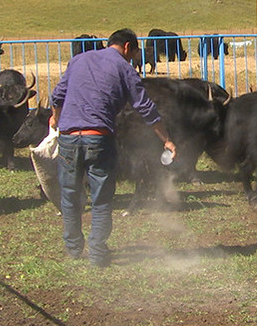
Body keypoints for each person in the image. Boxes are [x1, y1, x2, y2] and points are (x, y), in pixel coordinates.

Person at [50, 28, 177, 268]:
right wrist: (166, 139)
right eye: (133, 53)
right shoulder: (124, 68)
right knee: (101, 196)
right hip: (98, 137)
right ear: (127, 47)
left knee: (69, 193)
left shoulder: (78, 60)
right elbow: (146, 108)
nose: (132, 59)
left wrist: (56, 118)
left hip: (68, 136)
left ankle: (74, 248)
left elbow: (57, 96)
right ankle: (97, 253)